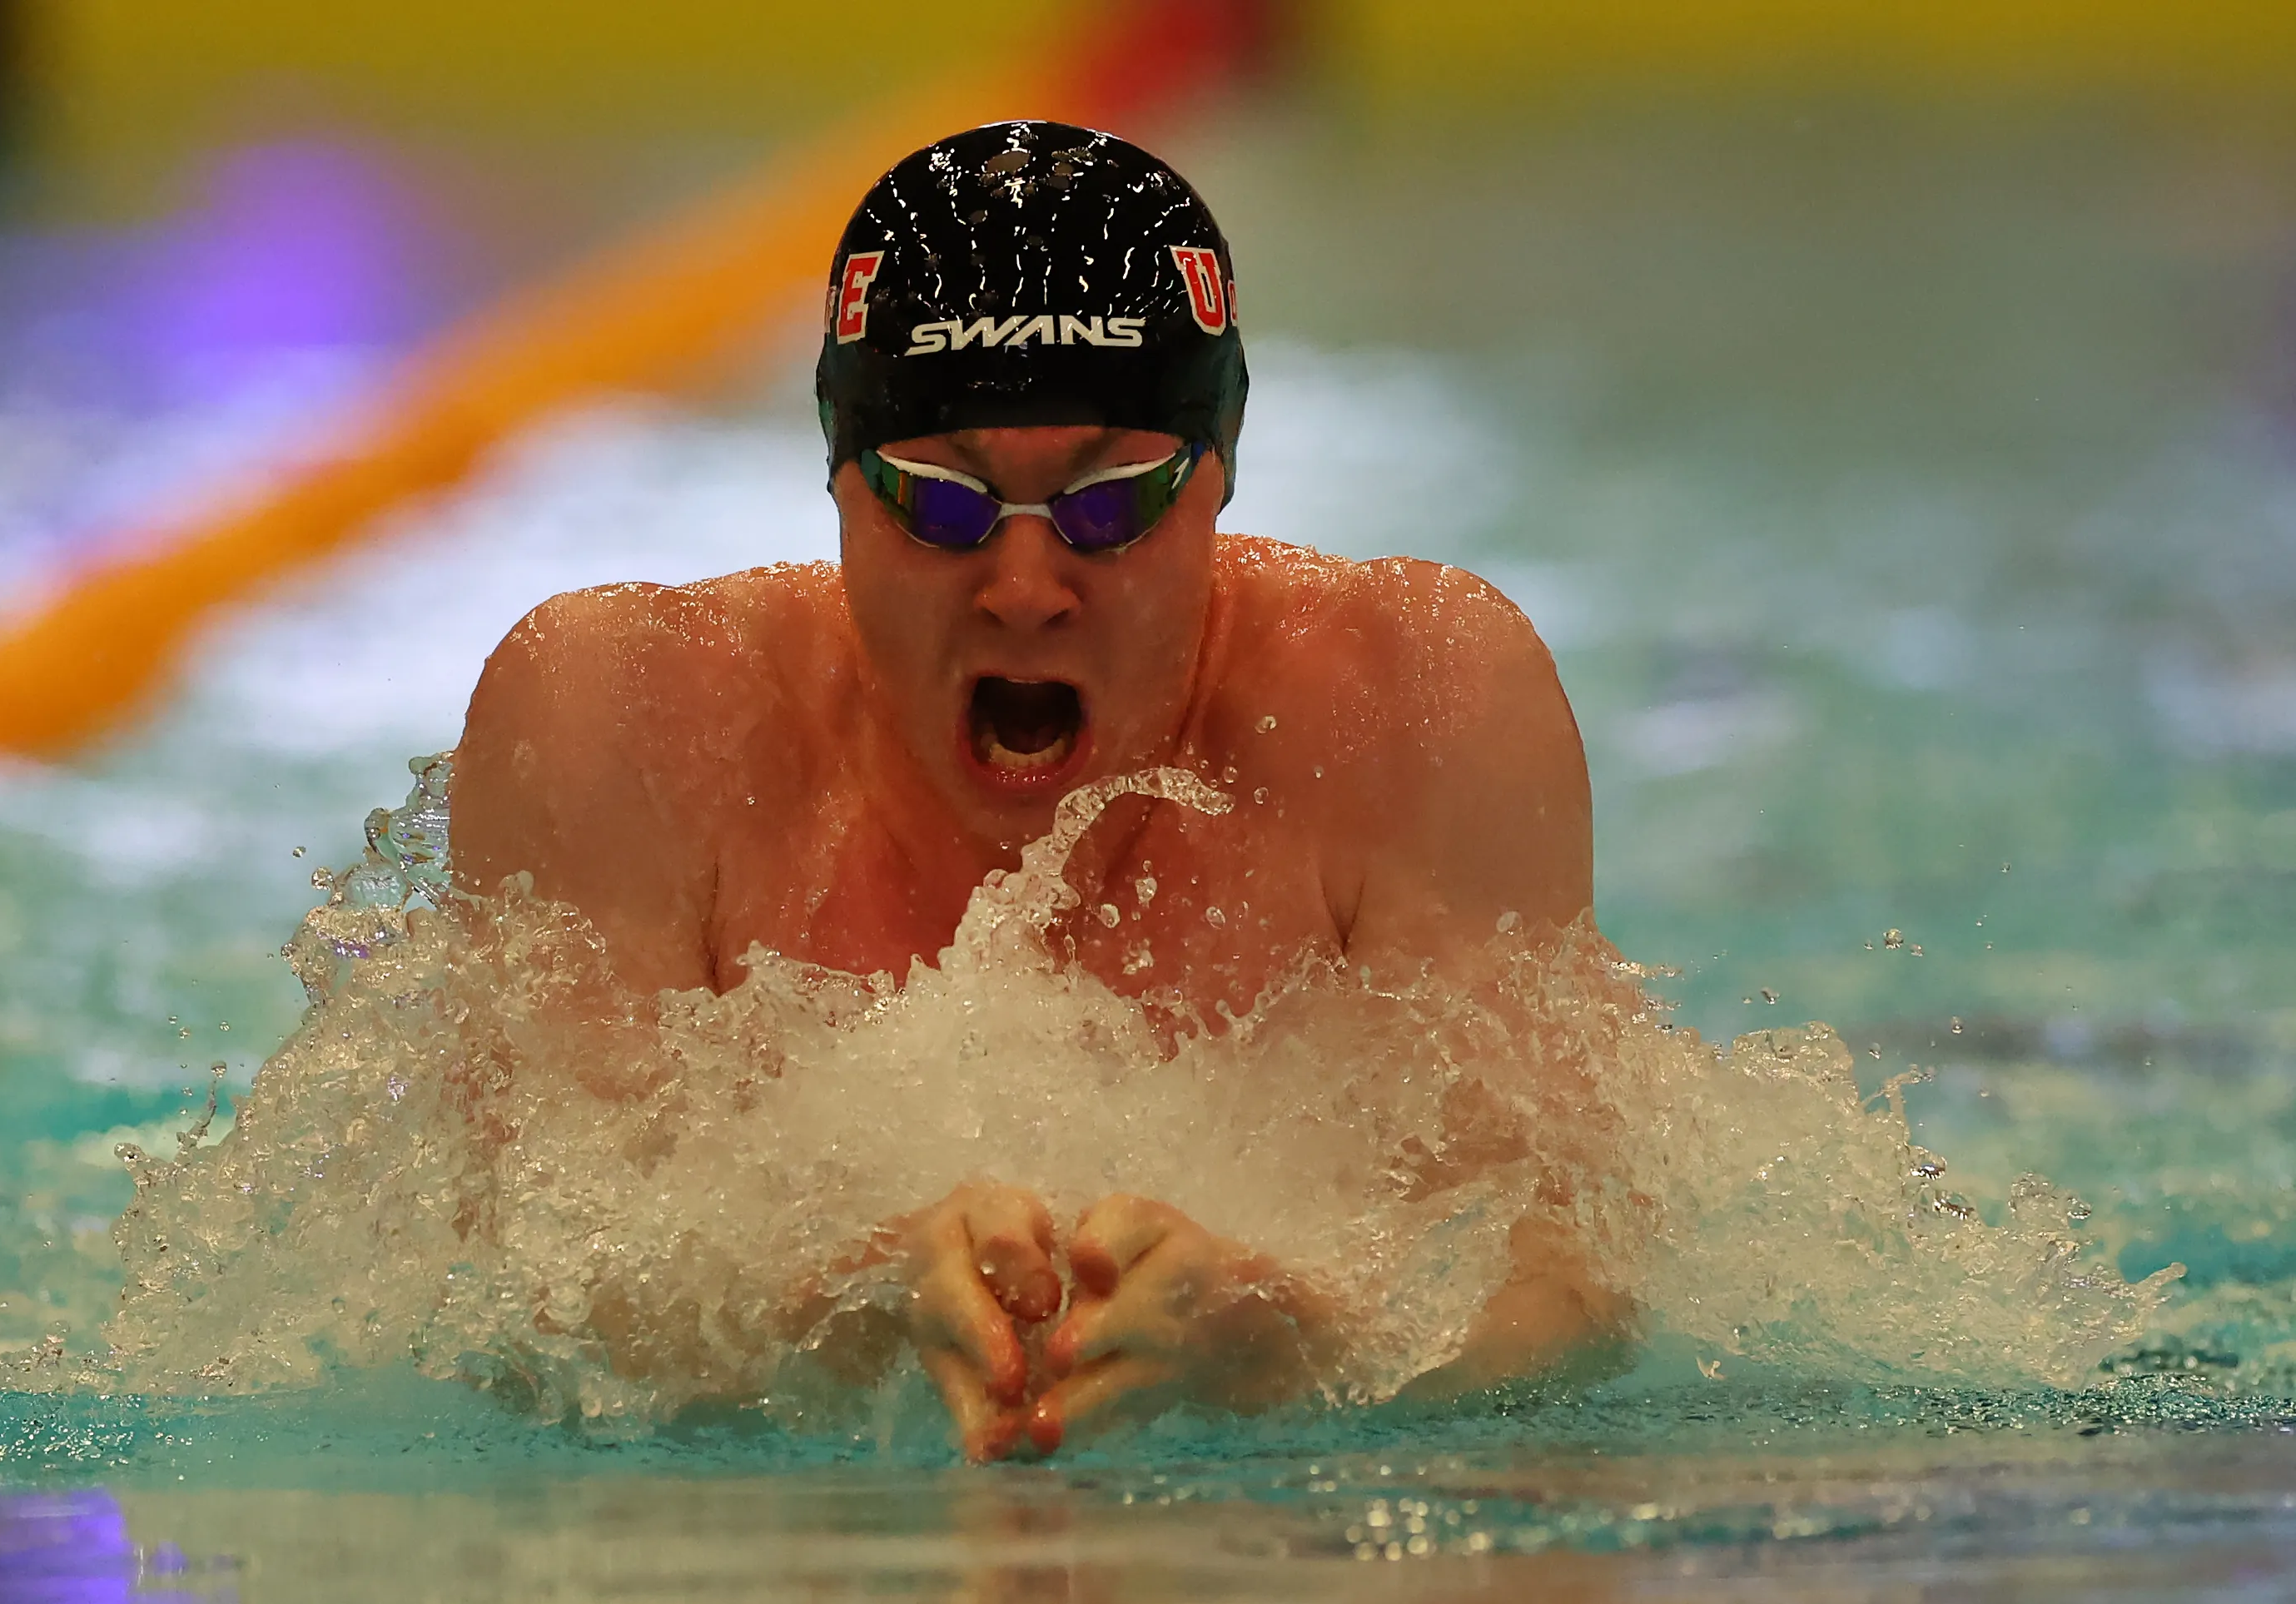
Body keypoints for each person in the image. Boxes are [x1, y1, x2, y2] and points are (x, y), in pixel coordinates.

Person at [450, 120, 1625, 1460]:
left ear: (1216, 475)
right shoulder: (631, 721)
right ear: (838, 477)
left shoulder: (1407, 702)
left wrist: (1284, 1341)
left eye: (1109, 504)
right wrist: (837, 1309)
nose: (1022, 590)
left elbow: (1570, 1286)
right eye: (939, 505)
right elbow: (512, 1307)